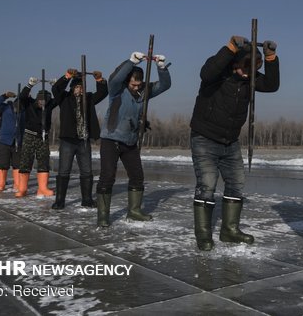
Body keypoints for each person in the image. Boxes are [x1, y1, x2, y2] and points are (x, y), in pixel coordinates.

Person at [190, 36, 280, 251]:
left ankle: (229, 231)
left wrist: (271, 58)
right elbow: (206, 72)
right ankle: (203, 235)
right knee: (207, 185)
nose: (248, 74)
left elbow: (271, 84)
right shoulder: (217, 75)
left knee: (236, 183)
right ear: (234, 63)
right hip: (204, 138)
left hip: (230, 141)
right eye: (244, 68)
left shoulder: (249, 79)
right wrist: (230, 48)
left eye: (253, 69)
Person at [96, 51, 171, 227]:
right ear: (127, 81)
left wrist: (161, 67)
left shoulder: (144, 93)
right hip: (111, 139)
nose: (136, 88)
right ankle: (103, 215)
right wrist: (131, 62)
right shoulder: (117, 90)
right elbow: (114, 79)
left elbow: (165, 85)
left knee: (137, 176)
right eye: (133, 84)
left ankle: (134, 211)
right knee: (107, 177)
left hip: (130, 141)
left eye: (138, 85)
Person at [51, 68, 108, 209]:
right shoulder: (64, 98)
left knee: (87, 171)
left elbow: (103, 93)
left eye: (81, 87)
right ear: (72, 88)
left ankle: (87, 200)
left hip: (83, 141)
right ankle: (60, 200)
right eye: (77, 87)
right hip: (67, 141)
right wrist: (67, 76)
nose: (79, 90)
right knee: (64, 171)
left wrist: (99, 80)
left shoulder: (88, 98)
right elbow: (55, 88)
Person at [17, 77, 58, 198]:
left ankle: (42, 188)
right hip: (29, 136)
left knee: (44, 161)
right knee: (26, 161)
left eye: (45, 100)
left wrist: (56, 85)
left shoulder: (49, 106)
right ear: (37, 99)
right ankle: (22, 188)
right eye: (41, 100)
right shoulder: (29, 103)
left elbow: (60, 98)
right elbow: (22, 97)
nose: (43, 102)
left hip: (43, 137)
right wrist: (29, 85)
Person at [0, 91, 24, 193]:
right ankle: (1, 184)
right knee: (3, 164)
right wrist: (5, 95)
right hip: (4, 141)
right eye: (17, 106)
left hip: (17, 142)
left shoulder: (23, 112)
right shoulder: (6, 108)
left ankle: (17, 184)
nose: (17, 109)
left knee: (17, 164)